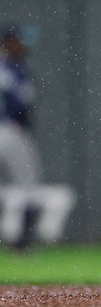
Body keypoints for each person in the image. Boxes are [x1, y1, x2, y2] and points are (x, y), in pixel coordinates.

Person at [0, 25, 42, 251]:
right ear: (9, 42)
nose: (24, 47)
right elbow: (20, 108)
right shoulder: (15, 69)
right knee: (29, 187)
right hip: (11, 131)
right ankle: (22, 245)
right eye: (20, 42)